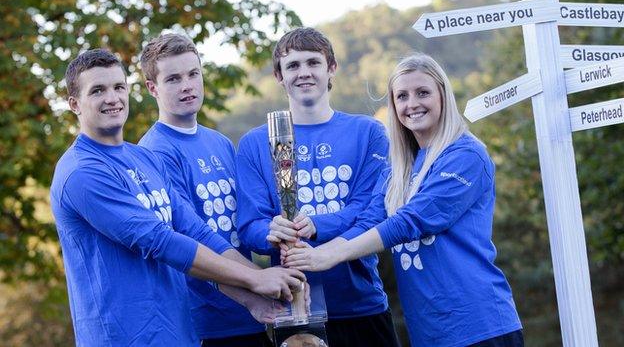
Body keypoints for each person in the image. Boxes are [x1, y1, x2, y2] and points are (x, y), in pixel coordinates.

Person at [50, 48, 305, 346]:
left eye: (118, 87)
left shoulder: (143, 159)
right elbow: (159, 241)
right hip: (122, 338)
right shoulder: (81, 172)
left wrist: (255, 291)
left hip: (178, 333)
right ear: (74, 104)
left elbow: (195, 231)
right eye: (97, 90)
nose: (112, 98)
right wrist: (254, 279)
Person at [283, 53, 524, 347]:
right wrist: (311, 248)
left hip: (480, 325)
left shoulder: (466, 155)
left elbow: (411, 221)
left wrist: (332, 255)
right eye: (402, 96)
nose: (412, 104)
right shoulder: (399, 168)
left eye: (423, 92)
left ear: (443, 96)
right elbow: (371, 220)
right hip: (429, 330)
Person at [235, 27, 400, 347]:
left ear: (331, 68)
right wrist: (272, 231)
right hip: (295, 312)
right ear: (279, 76)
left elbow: (371, 213)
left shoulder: (368, 132)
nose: (304, 72)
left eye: (313, 62)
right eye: (293, 65)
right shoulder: (256, 142)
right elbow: (249, 228)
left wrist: (317, 226)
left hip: (362, 305)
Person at [138, 33, 273, 347]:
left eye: (192, 74)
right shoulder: (154, 152)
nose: (187, 85)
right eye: (173, 79)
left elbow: (245, 219)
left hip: (251, 311)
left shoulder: (220, 142)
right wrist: (255, 282)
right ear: (152, 88)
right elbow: (188, 237)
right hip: (204, 324)